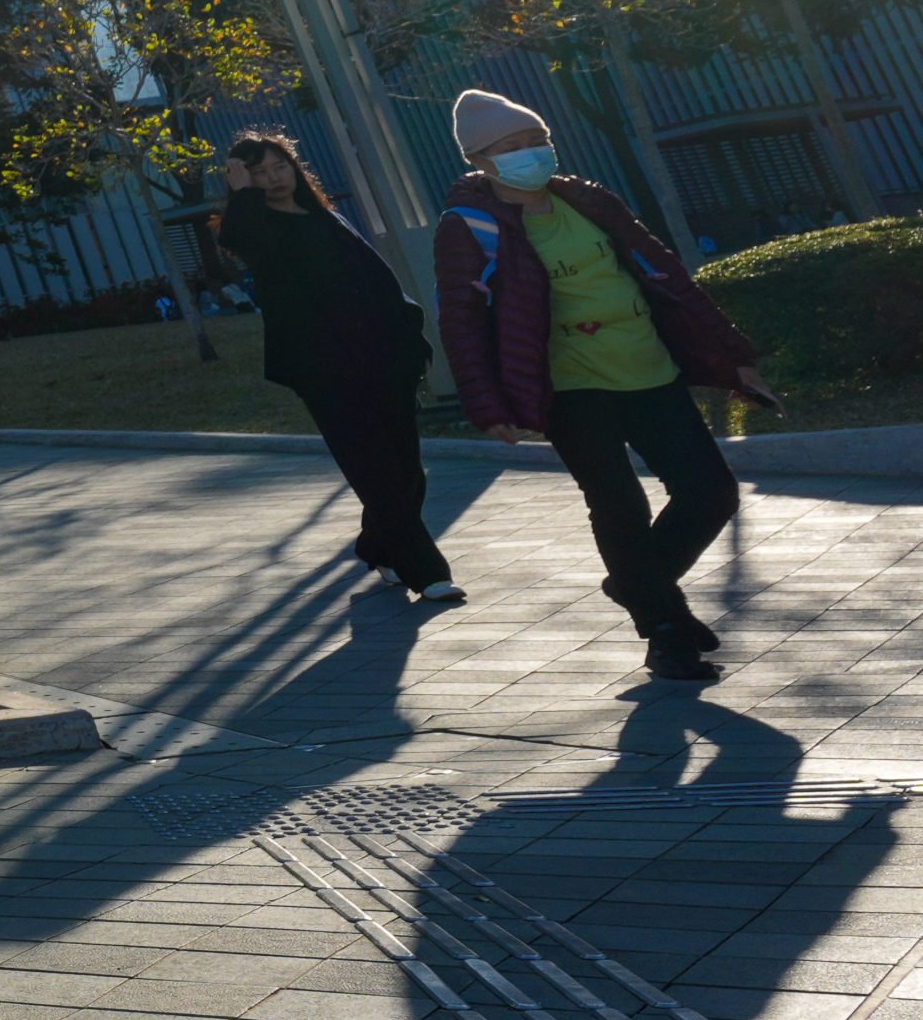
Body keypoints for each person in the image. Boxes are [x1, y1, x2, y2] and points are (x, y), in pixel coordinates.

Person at [437, 88, 781, 680]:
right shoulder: (469, 225)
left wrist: (734, 356)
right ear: (481, 161)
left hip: (648, 367)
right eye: (511, 147)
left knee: (710, 493)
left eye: (536, 141)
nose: (530, 154)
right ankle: (665, 631)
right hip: (568, 386)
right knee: (619, 503)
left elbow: (668, 275)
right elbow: (461, 320)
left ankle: (634, 584)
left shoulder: (589, 201)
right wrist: (485, 403)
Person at [214, 131, 452, 600]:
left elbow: (377, 280)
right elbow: (239, 239)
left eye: (279, 166)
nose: (273, 178)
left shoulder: (326, 217)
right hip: (324, 371)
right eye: (259, 173)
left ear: (294, 165)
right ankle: (427, 572)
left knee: (406, 468)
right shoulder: (258, 228)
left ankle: (377, 547)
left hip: (384, 359)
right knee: (374, 469)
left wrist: (410, 338)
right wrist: (241, 191)